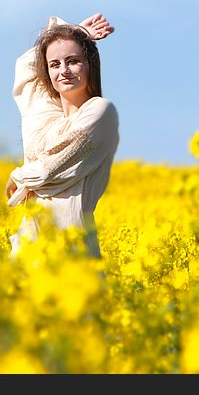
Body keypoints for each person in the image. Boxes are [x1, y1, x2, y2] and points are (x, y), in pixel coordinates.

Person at [6, 13, 119, 258]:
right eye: (55, 65)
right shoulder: (45, 114)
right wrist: (78, 31)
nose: (64, 71)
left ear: (90, 64)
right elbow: (25, 66)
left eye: (73, 61)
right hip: (28, 254)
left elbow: (48, 170)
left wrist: (18, 175)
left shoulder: (100, 112)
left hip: (72, 257)